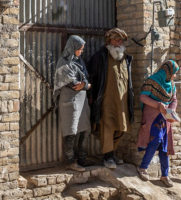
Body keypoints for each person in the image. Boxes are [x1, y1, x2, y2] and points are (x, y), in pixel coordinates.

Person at [88, 28, 134, 169]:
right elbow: (91, 77)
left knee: (121, 128)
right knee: (107, 127)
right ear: (109, 41)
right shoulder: (100, 57)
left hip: (122, 102)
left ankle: (112, 153)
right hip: (106, 101)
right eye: (115, 40)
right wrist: (93, 98)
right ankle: (108, 157)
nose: (118, 42)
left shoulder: (126, 58)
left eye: (120, 40)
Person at [137, 60, 179, 187]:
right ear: (168, 71)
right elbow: (143, 97)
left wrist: (171, 111)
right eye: (174, 73)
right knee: (156, 140)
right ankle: (143, 168)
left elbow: (174, 99)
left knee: (164, 145)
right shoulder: (152, 81)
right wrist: (157, 105)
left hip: (165, 118)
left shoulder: (171, 84)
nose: (175, 76)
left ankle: (165, 175)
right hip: (152, 116)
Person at [53, 35, 91, 172]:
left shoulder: (80, 62)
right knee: (71, 131)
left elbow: (85, 81)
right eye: (79, 49)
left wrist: (85, 84)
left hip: (82, 101)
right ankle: (70, 161)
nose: (81, 51)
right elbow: (74, 84)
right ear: (72, 47)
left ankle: (82, 160)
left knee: (85, 129)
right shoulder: (63, 63)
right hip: (70, 102)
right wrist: (85, 84)